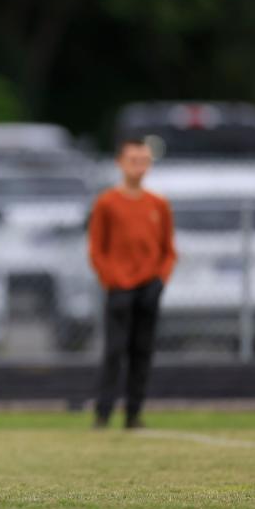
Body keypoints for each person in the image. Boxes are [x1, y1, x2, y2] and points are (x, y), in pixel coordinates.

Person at [88, 137, 177, 429]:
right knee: (115, 351)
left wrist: (159, 280)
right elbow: (97, 249)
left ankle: (134, 413)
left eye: (144, 161)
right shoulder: (107, 203)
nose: (138, 167)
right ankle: (103, 413)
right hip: (119, 289)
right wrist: (113, 280)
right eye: (133, 160)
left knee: (142, 351)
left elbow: (168, 250)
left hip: (148, 289)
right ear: (120, 163)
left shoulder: (158, 204)